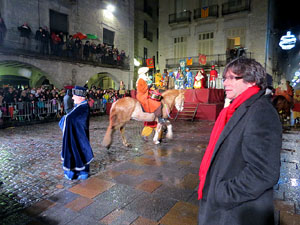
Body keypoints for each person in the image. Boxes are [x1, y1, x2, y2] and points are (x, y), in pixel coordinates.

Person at [197, 58, 282, 225]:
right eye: (224, 78)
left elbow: (263, 172)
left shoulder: (261, 112)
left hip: (235, 212)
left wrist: (222, 193)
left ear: (251, 81)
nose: (225, 83)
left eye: (232, 78)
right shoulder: (238, 107)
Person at [59, 86, 93, 180]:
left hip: (79, 136)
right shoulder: (80, 106)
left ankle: (79, 173)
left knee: (78, 151)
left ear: (80, 97)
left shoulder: (83, 107)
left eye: (74, 96)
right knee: (79, 151)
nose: (72, 98)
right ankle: (81, 172)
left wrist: (64, 119)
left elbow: (70, 118)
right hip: (78, 136)